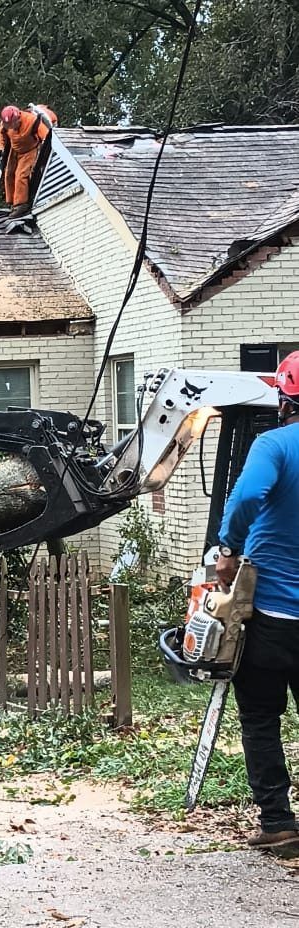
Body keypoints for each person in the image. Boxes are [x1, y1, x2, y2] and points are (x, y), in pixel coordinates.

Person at [216, 350, 299, 854]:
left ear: (284, 396)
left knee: (262, 717)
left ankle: (279, 823)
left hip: (272, 613)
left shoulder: (274, 444)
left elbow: (247, 496)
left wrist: (228, 548)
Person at [0, 103, 57, 219]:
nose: (12, 127)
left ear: (18, 118)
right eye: (8, 125)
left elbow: (46, 136)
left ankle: (21, 205)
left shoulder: (32, 121)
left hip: (29, 151)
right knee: (9, 174)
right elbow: (2, 133)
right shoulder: (5, 124)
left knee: (21, 175)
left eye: (13, 124)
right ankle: (12, 202)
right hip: (15, 151)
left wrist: (45, 151)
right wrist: (1, 147)